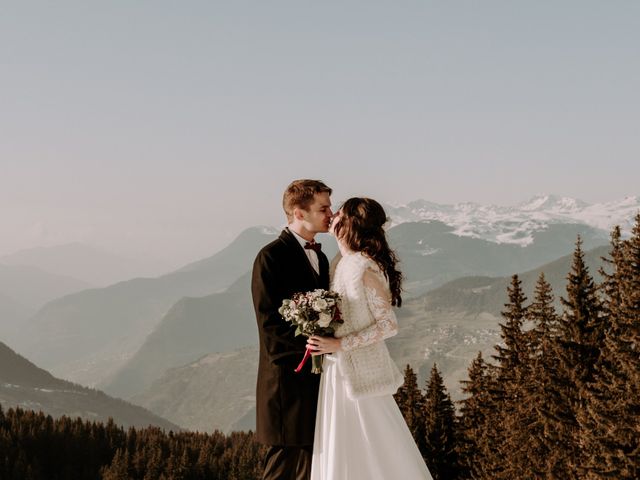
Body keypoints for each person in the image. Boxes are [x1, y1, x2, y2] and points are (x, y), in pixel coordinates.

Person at [307, 197, 433, 480]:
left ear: (349, 224)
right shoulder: (341, 262)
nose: (333, 215)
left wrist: (339, 344)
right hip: (337, 370)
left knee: (375, 445)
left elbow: (388, 325)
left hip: (361, 372)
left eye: (339, 212)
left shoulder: (363, 266)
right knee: (343, 445)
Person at [251, 179, 333, 480]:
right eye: (323, 208)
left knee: (310, 468)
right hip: (286, 383)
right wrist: (314, 347)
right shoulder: (270, 257)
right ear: (299, 212)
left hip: (316, 383)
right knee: (283, 469)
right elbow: (269, 325)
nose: (330, 214)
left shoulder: (321, 258)